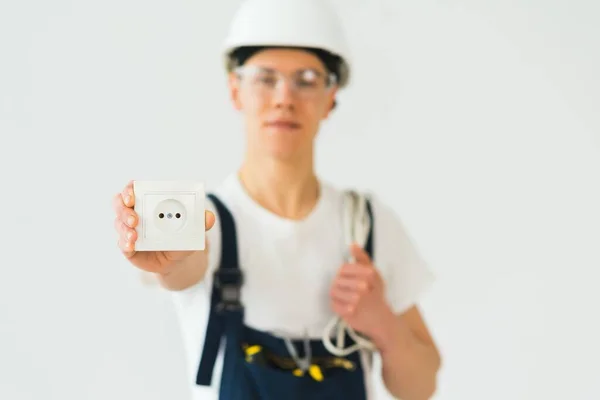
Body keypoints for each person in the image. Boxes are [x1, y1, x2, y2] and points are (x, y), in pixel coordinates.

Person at [112, 0, 441, 398]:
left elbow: (420, 388)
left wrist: (384, 324)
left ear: (330, 97)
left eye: (305, 78)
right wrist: (168, 260)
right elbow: (183, 265)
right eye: (265, 78)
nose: (284, 97)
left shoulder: (367, 225)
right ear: (236, 91)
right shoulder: (205, 221)